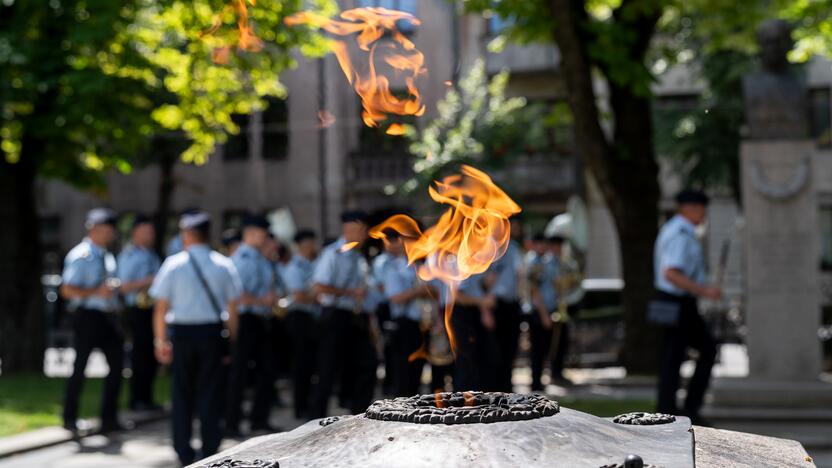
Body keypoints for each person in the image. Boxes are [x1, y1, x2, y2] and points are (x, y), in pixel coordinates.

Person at [149, 211, 241, 466]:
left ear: (187, 235)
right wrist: (231, 340)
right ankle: (210, 449)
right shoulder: (224, 264)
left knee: (182, 393)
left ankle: (183, 451)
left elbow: (160, 308)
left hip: (182, 333)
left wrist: (160, 341)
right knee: (211, 392)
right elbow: (233, 309)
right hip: (212, 333)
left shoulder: (173, 264)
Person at [654, 190, 720, 425]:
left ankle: (670, 408)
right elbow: (671, 273)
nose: (704, 214)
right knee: (706, 349)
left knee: (673, 356)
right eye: (702, 209)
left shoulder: (676, 229)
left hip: (673, 301)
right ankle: (686, 408)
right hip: (678, 302)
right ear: (690, 208)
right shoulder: (681, 233)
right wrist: (704, 291)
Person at [60, 208, 124, 433]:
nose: (112, 235)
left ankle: (109, 418)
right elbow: (67, 290)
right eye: (108, 230)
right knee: (80, 367)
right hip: (87, 316)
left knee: (118, 365)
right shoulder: (81, 255)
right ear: (95, 229)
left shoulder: (106, 255)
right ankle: (69, 417)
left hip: (107, 317)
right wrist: (96, 292)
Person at [308, 210, 370, 418]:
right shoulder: (332, 254)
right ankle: (316, 416)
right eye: (358, 230)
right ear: (348, 230)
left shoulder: (358, 257)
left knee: (363, 363)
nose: (362, 234)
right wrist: (350, 292)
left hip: (353, 315)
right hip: (334, 314)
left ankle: (357, 411)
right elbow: (318, 287)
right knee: (327, 367)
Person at [226, 215, 278, 436]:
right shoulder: (242, 259)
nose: (265, 237)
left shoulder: (259, 257)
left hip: (260, 320)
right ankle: (231, 424)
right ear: (250, 233)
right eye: (261, 233)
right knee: (239, 374)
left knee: (267, 370)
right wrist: (262, 301)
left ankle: (259, 419)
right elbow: (235, 297)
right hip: (245, 319)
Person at [379, 232, 434, 396]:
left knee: (419, 368)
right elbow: (394, 298)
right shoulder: (395, 267)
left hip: (425, 322)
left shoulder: (426, 267)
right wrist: (418, 291)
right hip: (405, 323)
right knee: (404, 370)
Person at [117, 214, 162, 411]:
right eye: (147, 231)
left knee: (150, 357)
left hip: (152, 309)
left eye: (151, 232)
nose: (150, 235)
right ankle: (136, 399)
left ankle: (147, 397)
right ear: (136, 232)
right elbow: (123, 286)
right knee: (139, 356)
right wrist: (149, 280)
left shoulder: (151, 254)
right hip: (137, 309)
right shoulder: (129, 255)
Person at [282, 229, 320, 419]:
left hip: (312, 318)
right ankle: (300, 407)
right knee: (301, 365)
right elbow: (299, 296)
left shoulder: (313, 265)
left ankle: (308, 405)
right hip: (299, 317)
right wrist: (316, 294)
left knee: (310, 364)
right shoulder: (294, 267)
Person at [486, 216, 524, 392]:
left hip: (512, 304)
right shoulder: (493, 249)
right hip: (496, 304)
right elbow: (486, 281)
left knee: (510, 347)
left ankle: (507, 386)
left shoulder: (514, 248)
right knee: (496, 349)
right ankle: (495, 387)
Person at [448, 274, 498, 392]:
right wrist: (482, 302)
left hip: (475, 313)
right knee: (466, 362)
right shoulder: (460, 263)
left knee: (483, 359)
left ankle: (478, 399)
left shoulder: (476, 262)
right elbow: (458, 296)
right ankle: (463, 400)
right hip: (463, 314)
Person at [525, 233, 554, 392]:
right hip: (537, 312)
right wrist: (544, 315)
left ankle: (539, 381)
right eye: (539, 244)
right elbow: (534, 291)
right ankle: (535, 383)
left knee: (544, 349)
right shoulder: (534, 262)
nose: (542, 247)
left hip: (546, 310)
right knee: (537, 350)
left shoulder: (544, 261)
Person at [546, 235, 572, 384]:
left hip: (560, 305)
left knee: (562, 341)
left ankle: (559, 371)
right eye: (558, 246)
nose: (560, 249)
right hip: (550, 305)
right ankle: (552, 371)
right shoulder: (548, 263)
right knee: (552, 343)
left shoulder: (562, 263)